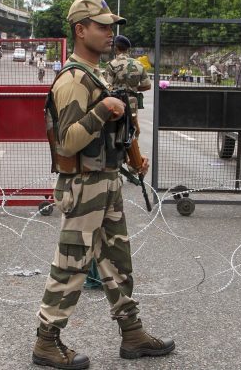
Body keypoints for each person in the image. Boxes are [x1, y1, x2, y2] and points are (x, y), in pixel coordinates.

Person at [34, 0, 174, 368]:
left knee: (116, 260)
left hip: (106, 180)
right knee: (71, 264)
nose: (110, 32)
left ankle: (133, 333)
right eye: (101, 26)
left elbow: (120, 125)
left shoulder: (99, 73)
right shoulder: (73, 79)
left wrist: (133, 156)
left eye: (112, 26)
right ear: (80, 30)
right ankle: (47, 342)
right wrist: (102, 110)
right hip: (84, 184)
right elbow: (67, 141)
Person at [85, 33, 151, 290]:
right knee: (131, 137)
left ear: (116, 49)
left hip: (114, 107)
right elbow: (145, 85)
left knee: (117, 139)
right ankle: (129, 161)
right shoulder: (138, 65)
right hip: (132, 105)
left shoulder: (111, 66)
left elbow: (104, 88)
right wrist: (132, 88)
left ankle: (123, 163)